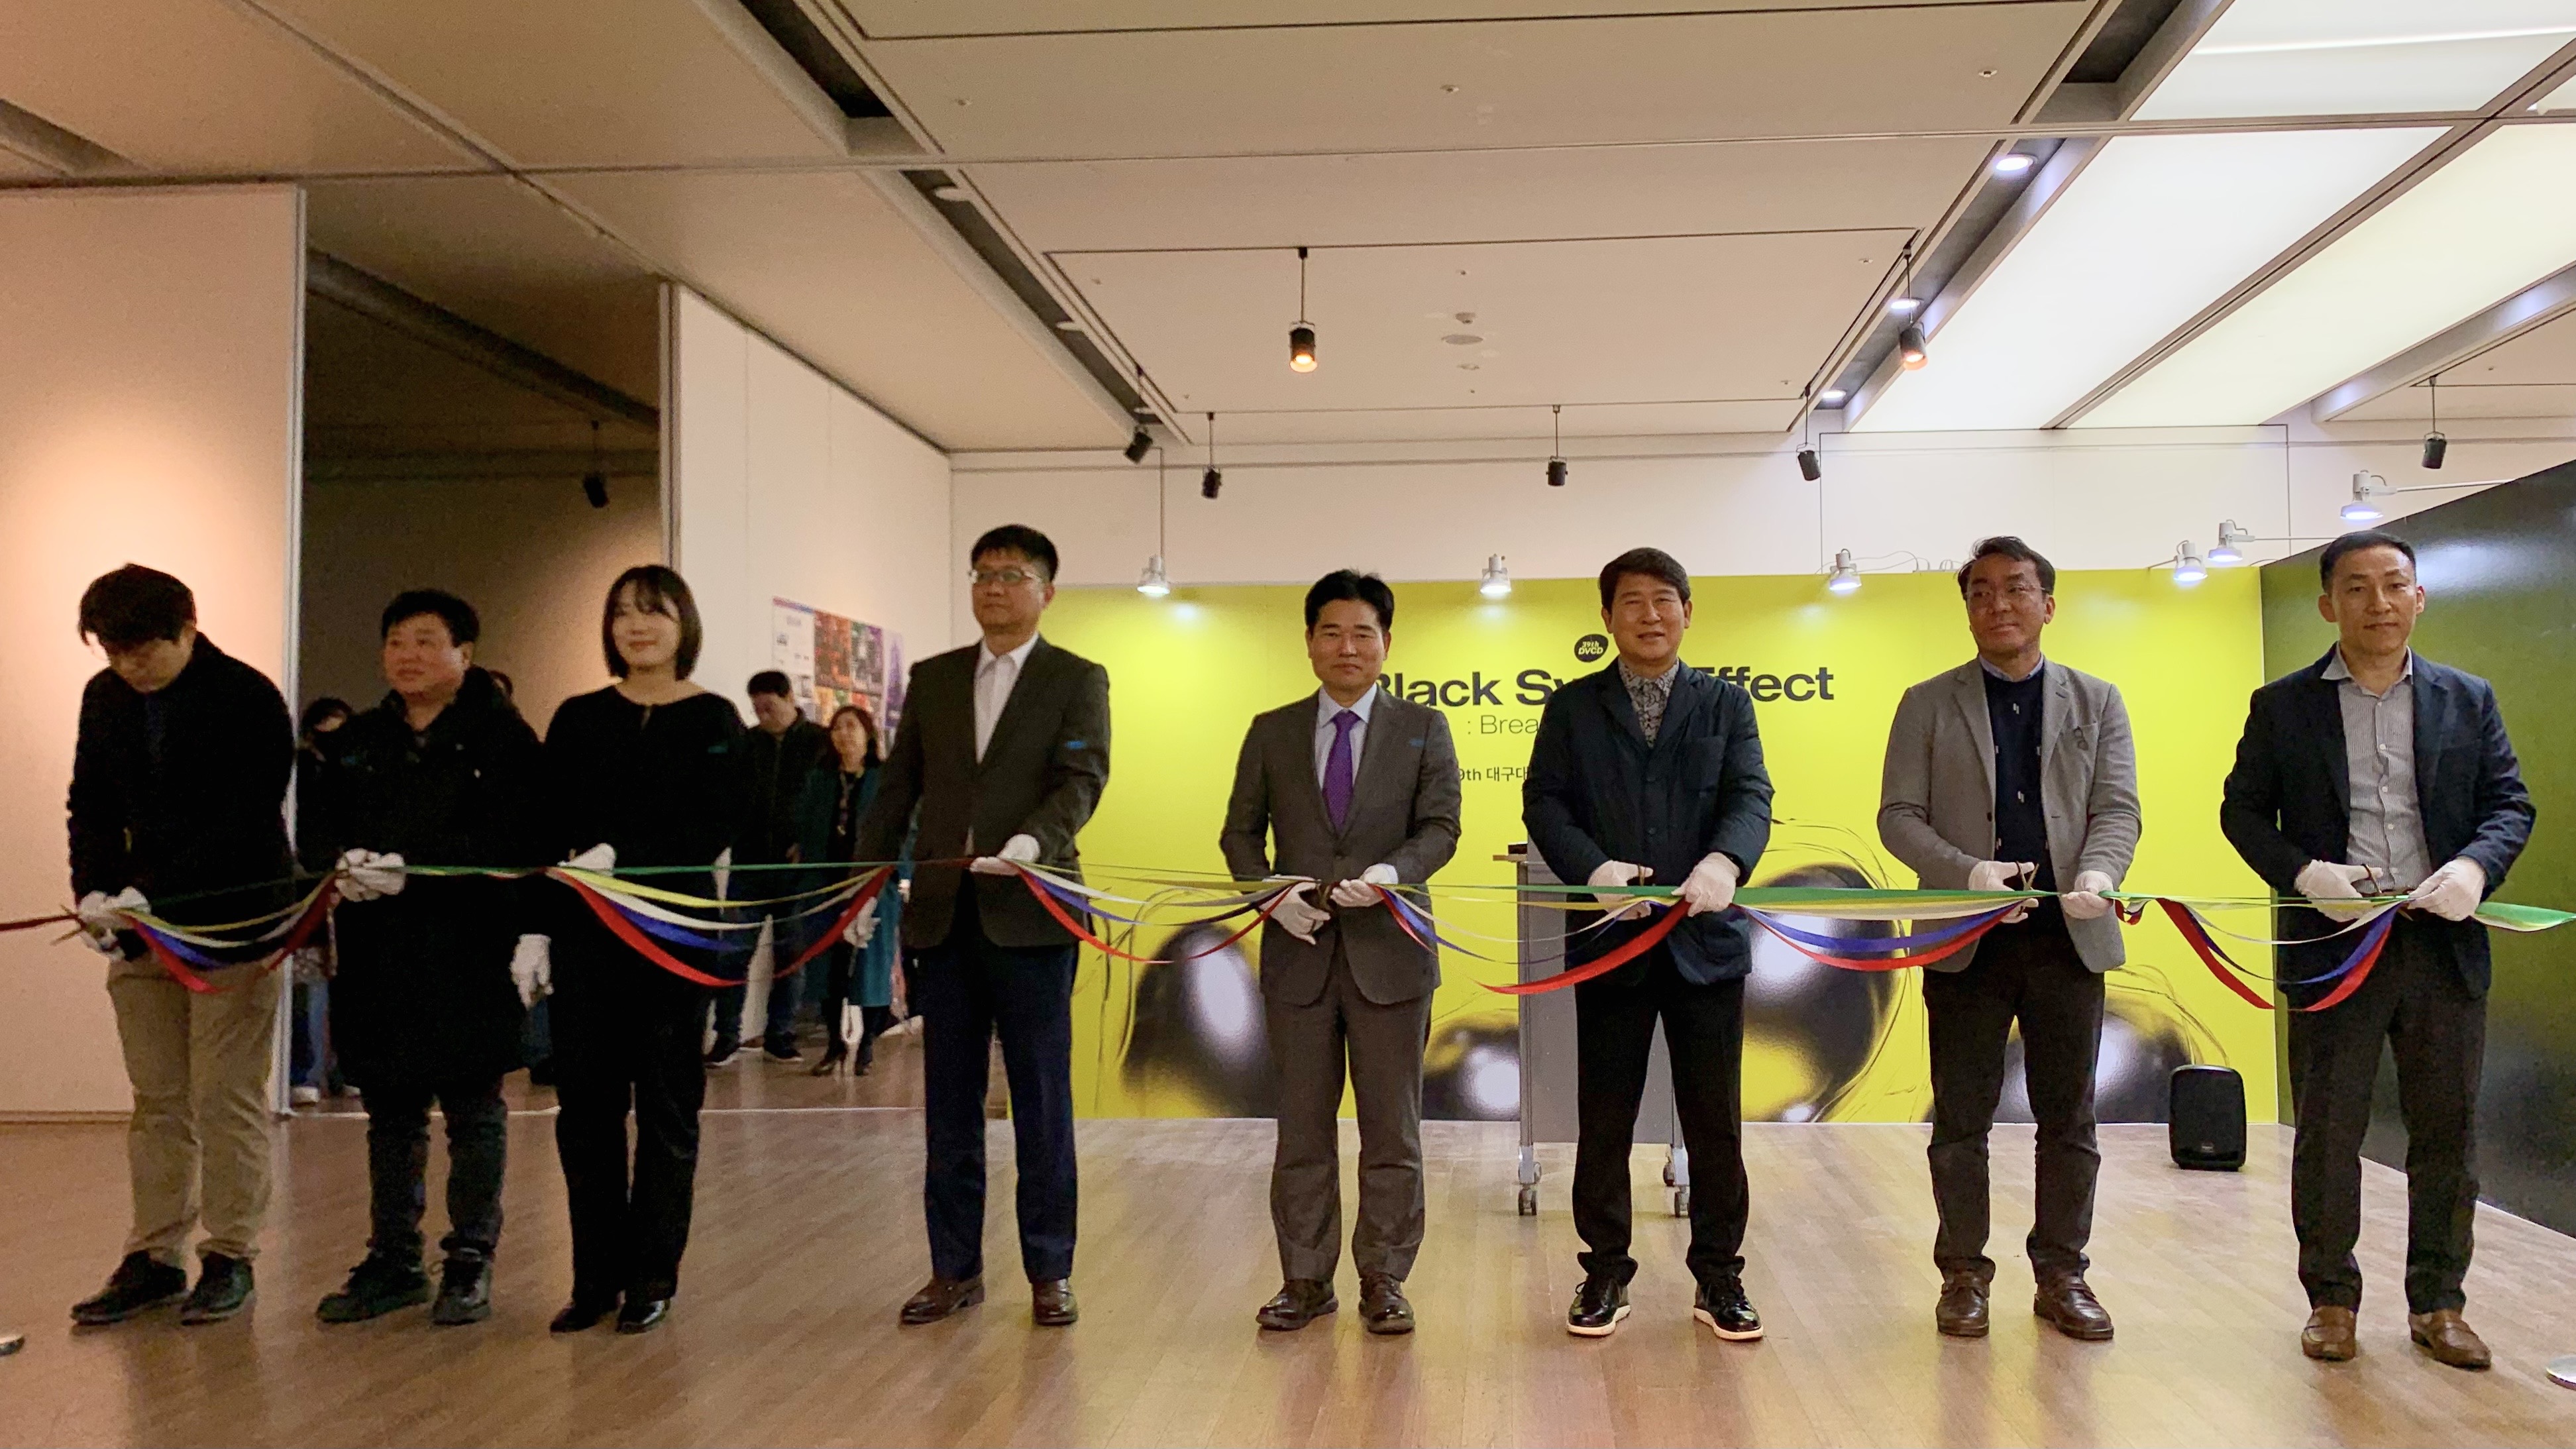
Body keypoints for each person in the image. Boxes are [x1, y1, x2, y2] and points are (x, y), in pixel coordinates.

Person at [2220, 529, 2533, 1370]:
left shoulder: (2467, 698)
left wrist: (2475, 868)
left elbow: (2510, 805)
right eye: (2357, 588)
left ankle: (2439, 1303)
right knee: (2329, 1131)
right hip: (2335, 946)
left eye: (2395, 585)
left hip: (2443, 944)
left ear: (2419, 598)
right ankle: (2331, 1300)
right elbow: (2241, 812)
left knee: (2448, 1134)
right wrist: (2304, 873)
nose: (2379, 603)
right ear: (2329, 605)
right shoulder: (2283, 706)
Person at [1877, 536, 2141, 1342]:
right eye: (1982, 592)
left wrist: (2099, 873)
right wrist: (1966, 872)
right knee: (1962, 1117)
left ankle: (2063, 1274)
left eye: (2017, 589)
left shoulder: (2098, 700)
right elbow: (1898, 817)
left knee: (2070, 1117)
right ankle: (1963, 1275)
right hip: (1967, 939)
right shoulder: (1927, 702)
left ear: (2048, 605)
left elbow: (2118, 809)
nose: (1999, 605)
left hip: (2069, 937)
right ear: (1967, 610)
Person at [859, 524, 1110, 1329]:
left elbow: (1082, 779)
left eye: (1011, 574)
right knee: (949, 1104)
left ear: (1046, 591)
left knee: (1041, 1101)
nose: (994, 588)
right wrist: (862, 883)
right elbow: (897, 789)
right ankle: (953, 1269)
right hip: (943, 918)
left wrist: (1033, 845)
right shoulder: (934, 678)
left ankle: (1050, 1269)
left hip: (1032, 914)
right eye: (982, 575)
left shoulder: (1075, 678)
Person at [1523, 547, 1772, 1342]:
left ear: (1688, 612)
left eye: (1665, 600)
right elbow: (1544, 803)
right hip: (1612, 942)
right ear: (1607, 618)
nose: (1650, 615)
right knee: (1605, 1119)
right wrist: (1594, 871)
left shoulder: (1727, 704)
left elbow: (1751, 795)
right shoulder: (1572, 708)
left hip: (1707, 944)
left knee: (1715, 1121)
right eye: (1632, 602)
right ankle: (1603, 1273)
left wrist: (1724, 861)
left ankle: (1720, 1277)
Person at [1219, 570, 1460, 1336]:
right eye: (1332, 632)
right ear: (1309, 642)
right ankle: (1304, 1278)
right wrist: (1268, 897)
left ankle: (1384, 1276)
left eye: (1362, 633)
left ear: (1387, 643)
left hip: (1392, 956)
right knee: (1301, 1131)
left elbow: (1441, 827)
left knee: (1393, 1129)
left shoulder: (1424, 728)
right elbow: (1239, 834)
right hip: (1299, 958)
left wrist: (1393, 875)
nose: (1347, 647)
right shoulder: (1271, 730)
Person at [300, 590, 547, 1327]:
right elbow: (316, 832)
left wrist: (415, 864)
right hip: (378, 950)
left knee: (474, 1108)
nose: (407, 655)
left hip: (470, 947)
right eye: (396, 641)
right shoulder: (358, 740)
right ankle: (393, 1259)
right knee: (390, 1111)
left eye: (426, 641)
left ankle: (469, 1257)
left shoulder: (504, 737)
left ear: (464, 654)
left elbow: (520, 839)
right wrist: (340, 865)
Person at [65, 564, 294, 1327]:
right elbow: (91, 803)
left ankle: (230, 1254)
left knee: (224, 1095)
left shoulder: (248, 696)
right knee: (157, 1099)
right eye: (114, 651)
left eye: (142, 649)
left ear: (187, 629)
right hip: (140, 935)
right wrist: (95, 892)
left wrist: (151, 893)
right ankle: (154, 1255)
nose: (129, 665)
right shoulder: (104, 698)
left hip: (231, 928)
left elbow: (245, 819)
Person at [533, 565, 747, 1336]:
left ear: (683, 624)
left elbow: (714, 823)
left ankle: (653, 1278)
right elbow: (547, 821)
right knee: (586, 1114)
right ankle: (594, 1279)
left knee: (666, 1110)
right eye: (622, 611)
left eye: (654, 611)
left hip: (673, 940)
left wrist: (622, 854)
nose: (637, 625)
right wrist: (539, 925)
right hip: (587, 940)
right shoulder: (579, 717)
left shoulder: (716, 719)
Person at [708, 670, 835, 1066]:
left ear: (790, 698)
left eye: (770, 707)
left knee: (790, 956)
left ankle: (780, 1034)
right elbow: (729, 797)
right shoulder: (746, 744)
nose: (763, 716)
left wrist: (808, 844)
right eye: (757, 709)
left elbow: (826, 803)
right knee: (733, 953)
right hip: (748, 864)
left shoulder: (820, 743)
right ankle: (727, 1036)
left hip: (795, 869)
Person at [806, 704, 903, 1076]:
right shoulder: (820, 779)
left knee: (871, 968)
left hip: (873, 886)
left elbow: (904, 827)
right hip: (826, 887)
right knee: (828, 971)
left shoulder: (885, 779)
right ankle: (834, 1043)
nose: (843, 734)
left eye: (851, 727)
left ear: (868, 734)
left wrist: (900, 874)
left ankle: (866, 1046)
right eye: (836, 728)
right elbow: (805, 825)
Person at [290, 696, 354, 1107]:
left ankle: (345, 1068)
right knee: (306, 985)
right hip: (307, 890)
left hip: (352, 886)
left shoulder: (355, 772)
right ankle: (304, 1070)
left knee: (349, 982)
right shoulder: (299, 772)